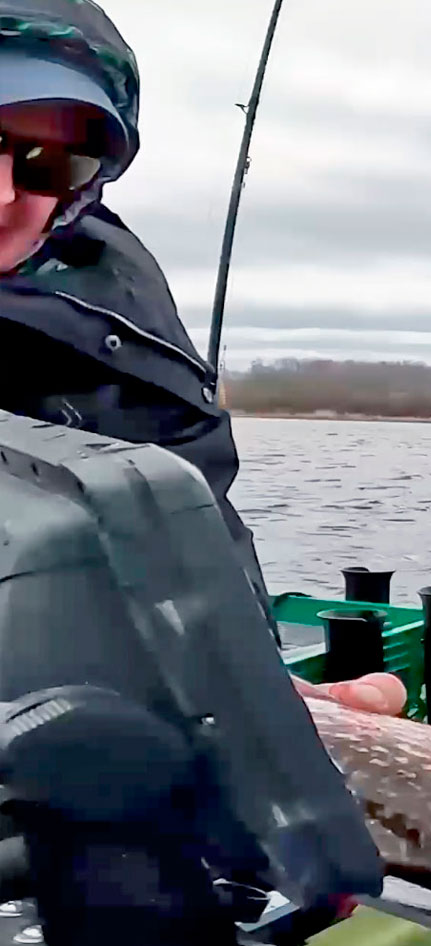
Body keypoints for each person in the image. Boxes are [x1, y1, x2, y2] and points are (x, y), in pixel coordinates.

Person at [0, 0, 274, 621]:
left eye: (51, 163)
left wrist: (257, 690)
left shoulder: (126, 338)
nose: (5, 194)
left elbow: (204, 593)